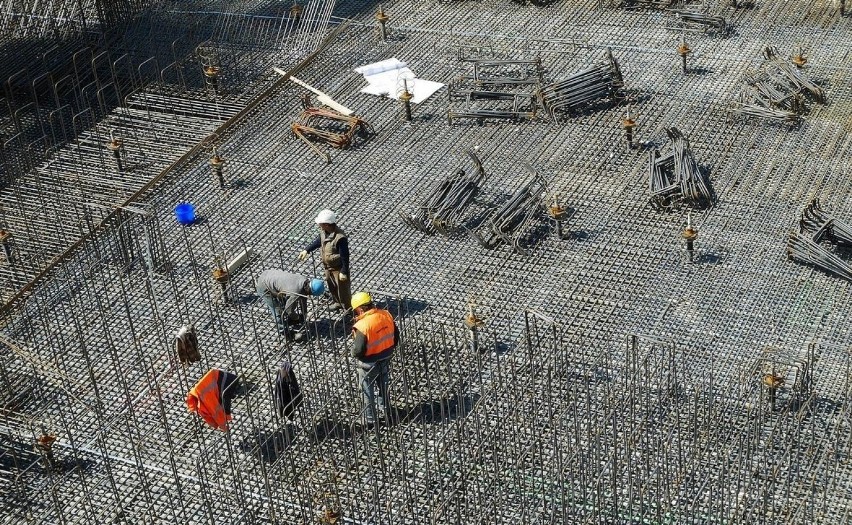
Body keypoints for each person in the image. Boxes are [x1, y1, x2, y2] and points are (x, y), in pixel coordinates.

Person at [350, 292, 398, 427]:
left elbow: (358, 350)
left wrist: (353, 353)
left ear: (359, 309)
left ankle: (370, 419)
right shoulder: (385, 314)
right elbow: (396, 336)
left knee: (367, 390)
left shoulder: (363, 325)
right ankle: (387, 413)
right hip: (386, 357)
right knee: (384, 386)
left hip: (369, 363)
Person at [299, 209, 351, 311]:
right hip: (328, 267)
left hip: (338, 268)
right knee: (332, 287)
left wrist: (344, 271)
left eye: (321, 224)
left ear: (327, 224)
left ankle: (347, 308)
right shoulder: (324, 232)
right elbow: (319, 242)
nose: (319, 225)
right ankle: (337, 303)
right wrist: (307, 250)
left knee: (343, 290)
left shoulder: (340, 237)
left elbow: (345, 255)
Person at [256, 269, 325, 341]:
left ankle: (289, 320)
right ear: (310, 290)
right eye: (311, 294)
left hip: (269, 274)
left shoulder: (304, 281)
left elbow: (303, 298)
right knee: (279, 311)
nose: (310, 295)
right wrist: (296, 317)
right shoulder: (295, 293)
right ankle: (285, 333)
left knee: (285, 303)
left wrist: (304, 313)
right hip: (264, 286)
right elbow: (289, 310)